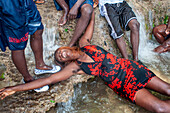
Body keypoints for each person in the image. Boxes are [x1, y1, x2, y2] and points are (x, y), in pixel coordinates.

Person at [0, 12, 170, 113]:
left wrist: (93, 10)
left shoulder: (84, 43)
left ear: (66, 47)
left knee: (168, 89)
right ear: (65, 62)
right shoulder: (76, 67)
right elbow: (47, 80)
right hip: (124, 85)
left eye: (60, 51)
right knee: (161, 109)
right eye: (60, 58)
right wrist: (13, 89)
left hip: (133, 69)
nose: (62, 54)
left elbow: (92, 22)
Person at [0, 0, 60, 85]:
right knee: (18, 46)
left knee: (38, 30)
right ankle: (28, 79)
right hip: (11, 10)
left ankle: (40, 65)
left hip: (27, 4)